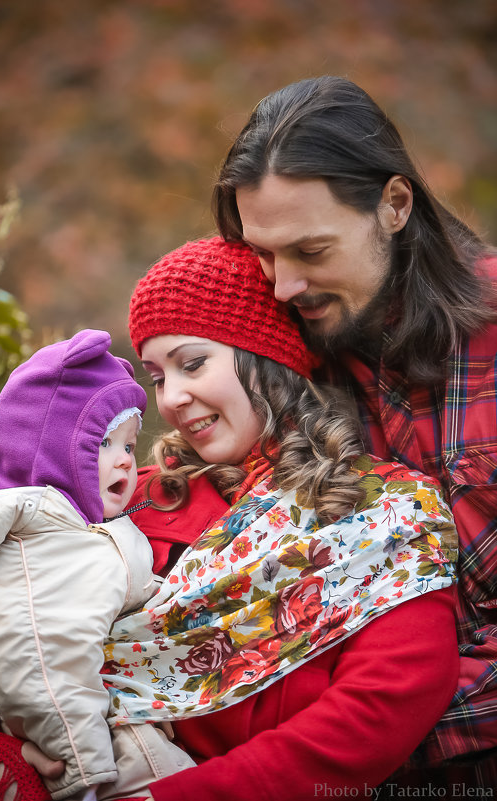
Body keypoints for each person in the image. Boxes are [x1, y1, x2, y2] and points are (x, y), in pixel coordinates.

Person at [0, 237, 459, 801]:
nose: (171, 398)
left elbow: (381, 705)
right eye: (156, 377)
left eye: (192, 363)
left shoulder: (384, 510)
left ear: (267, 355)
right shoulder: (126, 499)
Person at [212, 76, 497, 786]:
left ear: (394, 205)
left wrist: (396, 714)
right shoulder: (280, 364)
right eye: (264, 255)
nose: (281, 286)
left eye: (309, 251)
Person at [0, 328, 194, 801]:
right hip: (70, 743)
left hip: (129, 729)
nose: (126, 462)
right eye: (105, 443)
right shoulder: (23, 514)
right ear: (51, 446)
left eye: (129, 447)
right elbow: (40, 664)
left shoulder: (112, 526)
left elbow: (140, 595)